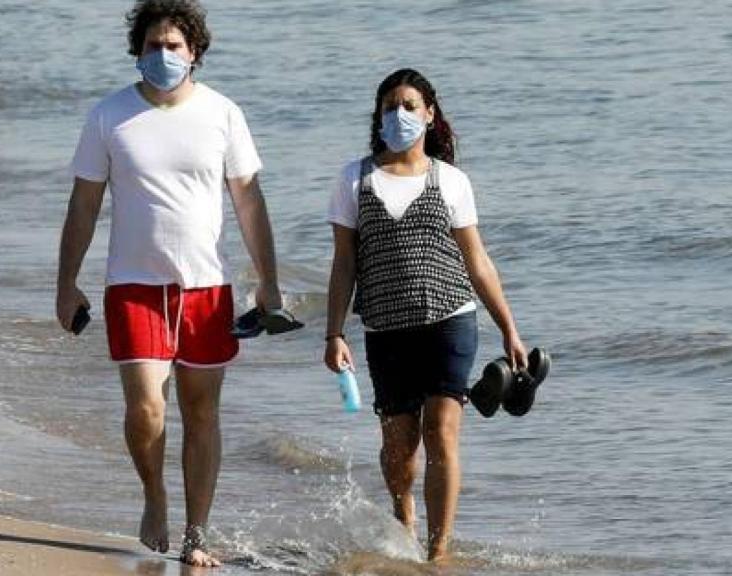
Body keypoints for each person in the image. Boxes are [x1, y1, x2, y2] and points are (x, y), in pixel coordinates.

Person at [55, 0, 283, 567]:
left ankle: (197, 531)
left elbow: (250, 204)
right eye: (153, 45)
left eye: (173, 46)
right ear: (138, 51)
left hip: (206, 287)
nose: (163, 55)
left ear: (195, 53)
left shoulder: (223, 114)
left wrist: (268, 284)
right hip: (133, 284)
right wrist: (67, 282)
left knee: (202, 413)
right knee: (147, 409)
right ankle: (155, 497)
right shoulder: (109, 116)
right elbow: (84, 205)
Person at [323, 68, 529, 563]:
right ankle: (404, 516)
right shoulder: (354, 179)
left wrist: (509, 329)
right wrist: (334, 333)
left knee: (441, 432)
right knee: (400, 454)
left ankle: (438, 551)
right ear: (378, 116)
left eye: (410, 105)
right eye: (390, 106)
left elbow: (478, 261)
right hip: (386, 330)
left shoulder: (451, 181)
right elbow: (344, 263)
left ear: (430, 114)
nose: (400, 114)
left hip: (450, 322)